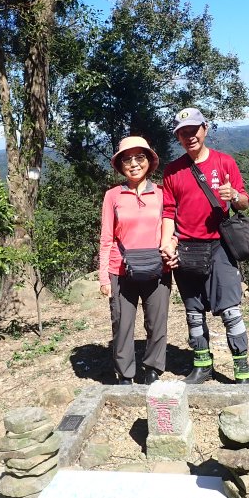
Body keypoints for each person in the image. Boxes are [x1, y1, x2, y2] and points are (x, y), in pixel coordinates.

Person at [159, 108, 249, 384]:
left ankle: (242, 371)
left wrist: (234, 195)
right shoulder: (172, 170)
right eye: (183, 132)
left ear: (205, 129)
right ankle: (202, 365)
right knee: (193, 311)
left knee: (231, 311)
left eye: (194, 130)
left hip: (220, 247)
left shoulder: (225, 163)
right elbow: (168, 211)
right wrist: (167, 241)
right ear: (178, 136)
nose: (189, 137)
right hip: (187, 247)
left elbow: (245, 202)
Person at [99, 136, 172, 385]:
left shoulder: (162, 193)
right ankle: (125, 373)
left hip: (157, 267)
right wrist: (103, 277)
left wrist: (172, 247)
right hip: (120, 269)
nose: (133, 163)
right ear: (120, 165)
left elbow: (172, 228)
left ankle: (152, 368)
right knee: (122, 323)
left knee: (157, 322)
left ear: (148, 161)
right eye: (127, 159)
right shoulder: (113, 196)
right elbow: (106, 238)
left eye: (139, 157)